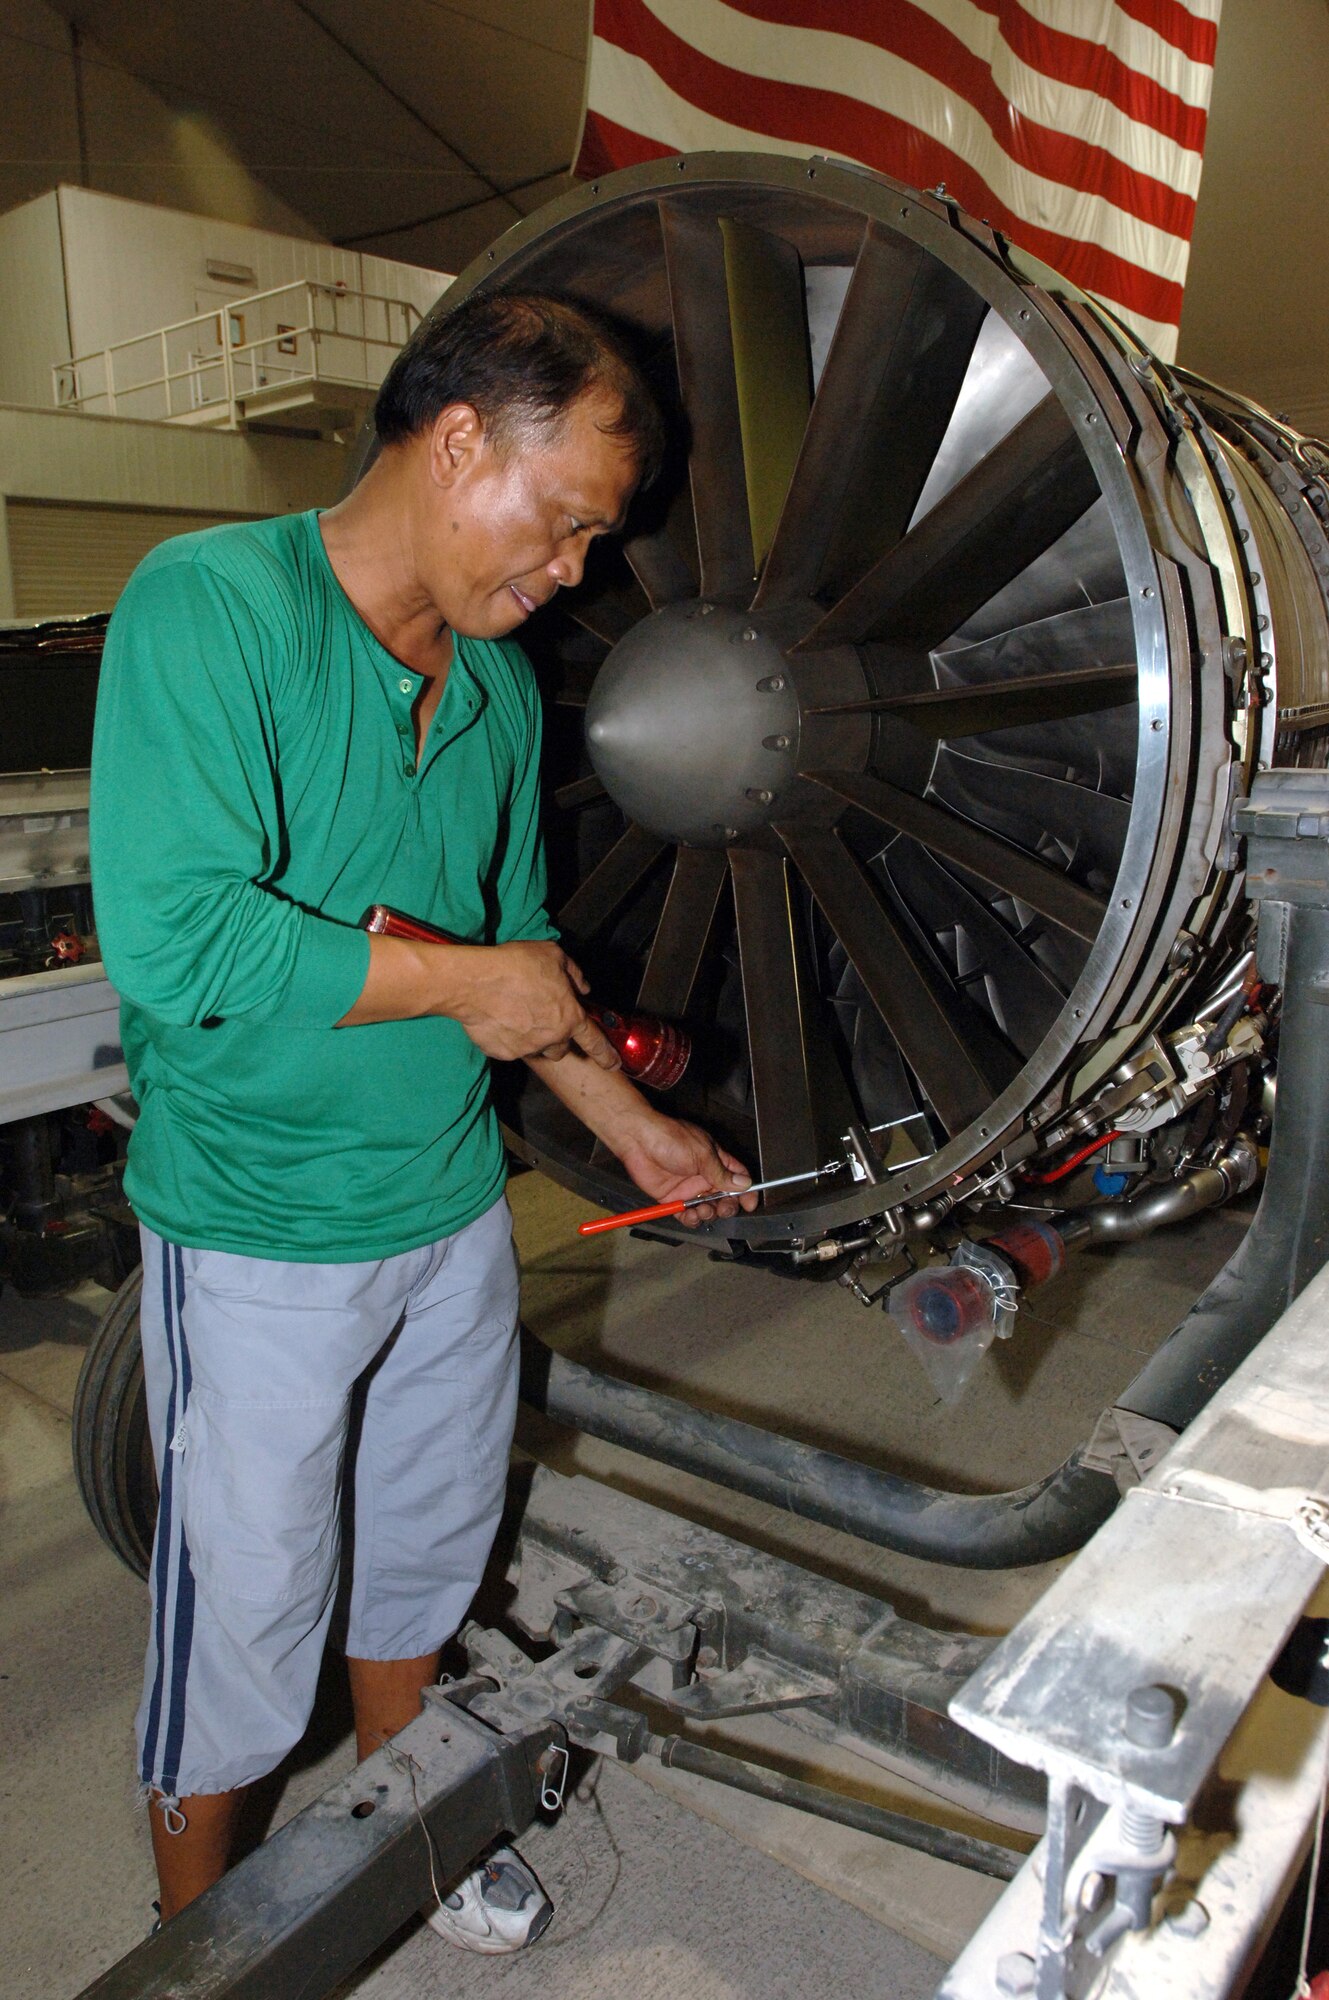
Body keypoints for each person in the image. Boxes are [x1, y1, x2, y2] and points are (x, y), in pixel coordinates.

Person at [89, 292, 756, 1949]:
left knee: (428, 1551)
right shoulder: (215, 605)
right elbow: (177, 940)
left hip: (449, 1211)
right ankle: (204, 1939)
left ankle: (415, 1823)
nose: (575, 570)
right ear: (461, 440)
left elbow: (517, 959)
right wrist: (468, 991)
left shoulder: (499, 692)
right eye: (567, 521)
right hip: (258, 1229)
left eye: (594, 541)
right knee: (244, 1607)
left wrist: (633, 1130)